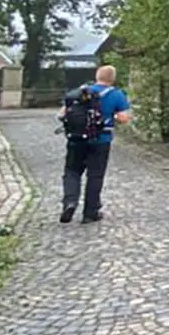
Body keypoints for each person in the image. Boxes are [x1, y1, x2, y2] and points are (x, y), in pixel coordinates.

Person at [57, 65, 132, 224]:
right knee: (95, 176)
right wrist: (112, 116)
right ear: (112, 79)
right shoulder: (116, 95)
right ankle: (90, 213)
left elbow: (61, 114)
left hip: (76, 139)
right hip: (100, 141)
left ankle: (69, 202)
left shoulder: (80, 93)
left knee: (72, 171)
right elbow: (124, 118)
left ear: (97, 76)